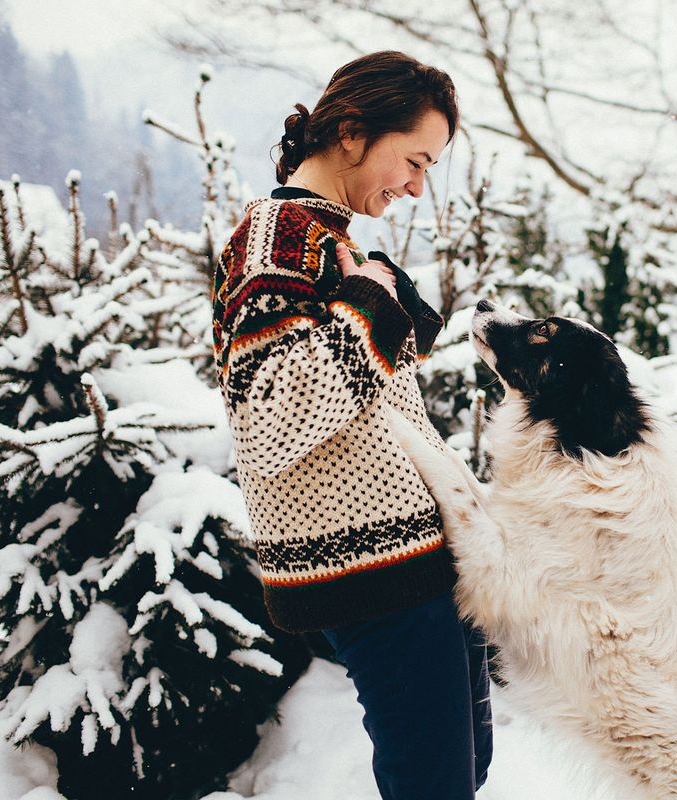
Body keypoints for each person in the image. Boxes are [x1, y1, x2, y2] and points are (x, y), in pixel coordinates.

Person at [210, 51, 492, 800]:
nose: (417, 187)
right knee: (436, 783)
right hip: (370, 571)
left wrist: (380, 297)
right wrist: (369, 301)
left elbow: (362, 381)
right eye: (414, 161)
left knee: (462, 769)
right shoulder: (274, 240)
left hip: (409, 558)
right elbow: (270, 418)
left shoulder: (324, 236)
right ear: (352, 130)